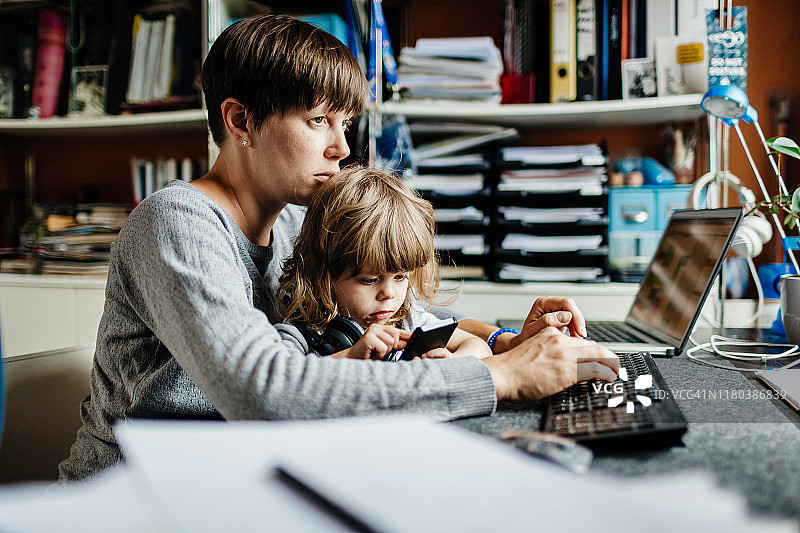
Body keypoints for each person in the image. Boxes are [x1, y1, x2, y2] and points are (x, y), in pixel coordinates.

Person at [58, 14, 619, 481]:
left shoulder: (297, 220)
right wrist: (502, 377)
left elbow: (403, 314)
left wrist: (505, 341)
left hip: (248, 476)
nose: (342, 148)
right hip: (138, 497)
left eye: (345, 123)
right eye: (318, 120)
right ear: (240, 120)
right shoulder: (178, 222)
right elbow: (263, 391)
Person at [275, 165, 492, 360]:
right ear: (322, 273)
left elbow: (478, 345)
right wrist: (350, 355)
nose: (388, 294)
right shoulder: (299, 334)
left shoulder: (408, 321)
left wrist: (451, 362)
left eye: (400, 277)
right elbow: (284, 381)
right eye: (369, 280)